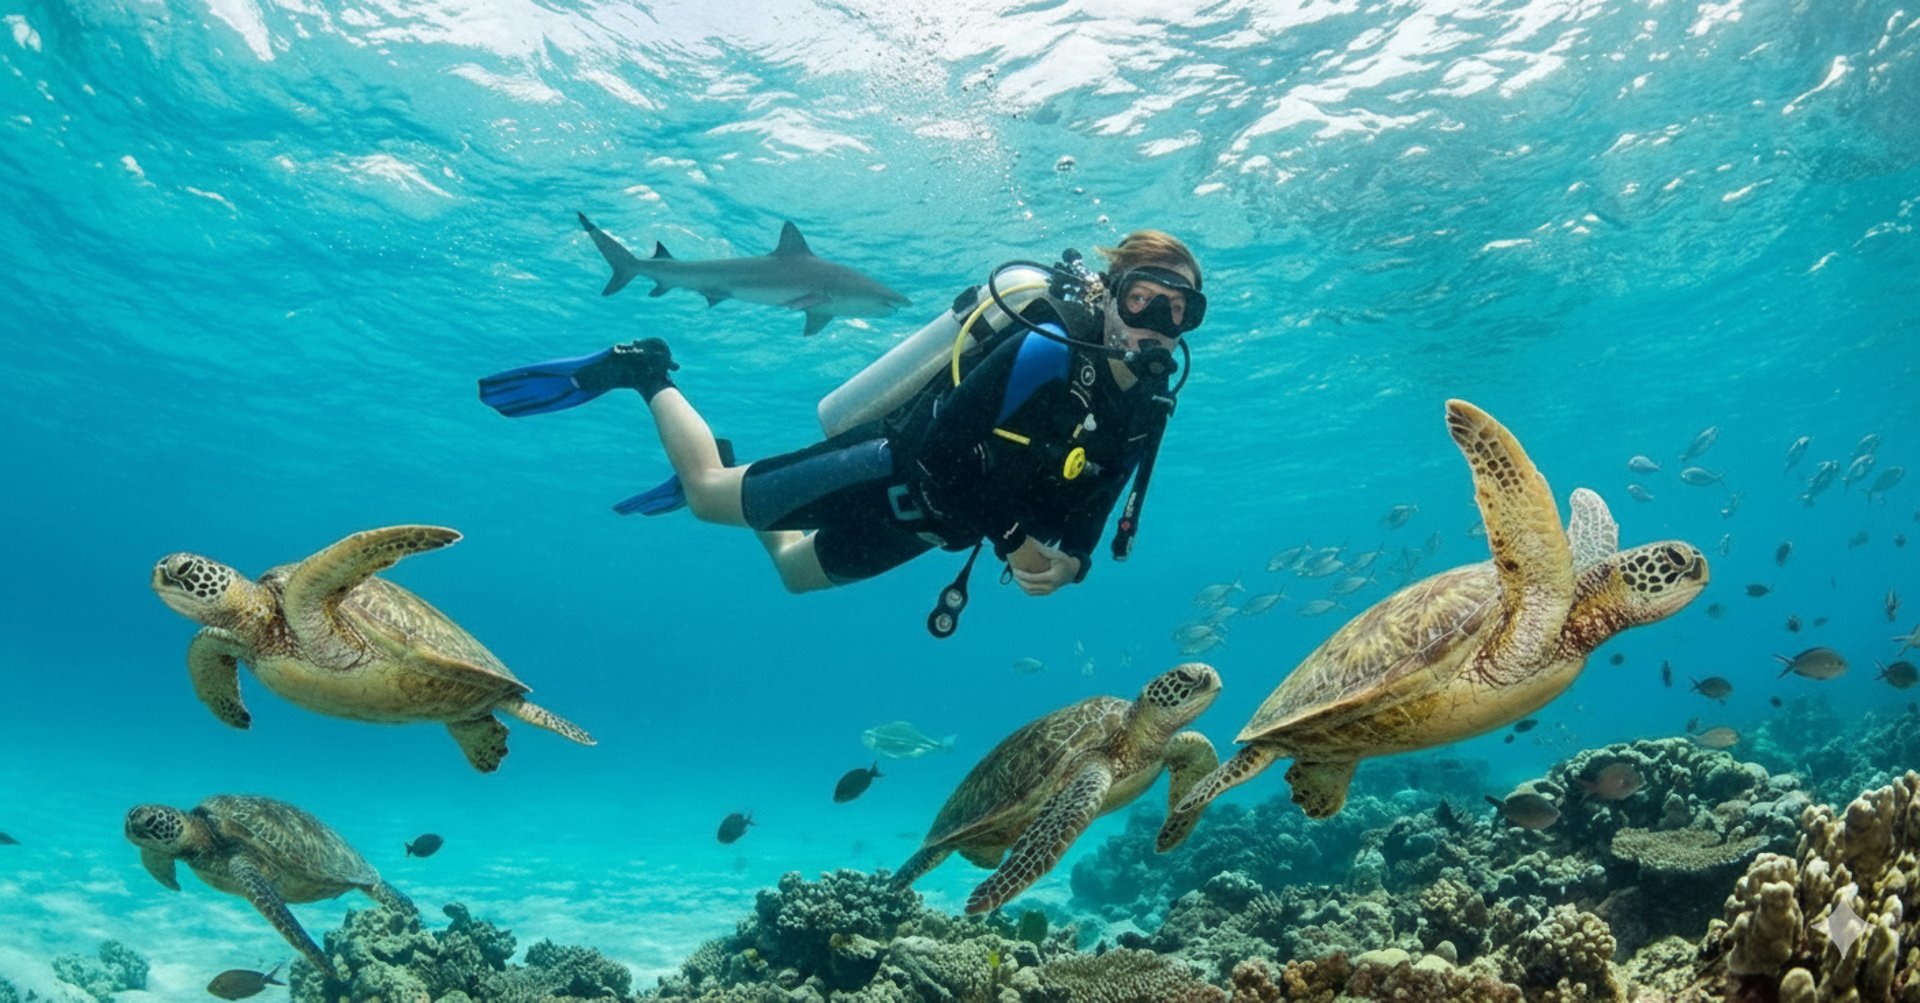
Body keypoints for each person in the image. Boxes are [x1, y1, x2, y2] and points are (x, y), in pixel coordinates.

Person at [479, 230, 1205, 611]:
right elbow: (943, 445)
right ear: (1111, 296)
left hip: (935, 527)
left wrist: (1073, 563)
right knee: (703, 496)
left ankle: (739, 463)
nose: (1160, 325)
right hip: (887, 465)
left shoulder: (1147, 408)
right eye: (1146, 299)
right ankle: (645, 370)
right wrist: (1015, 542)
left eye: (1182, 312)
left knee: (794, 574)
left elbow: (1098, 505)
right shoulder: (1048, 346)